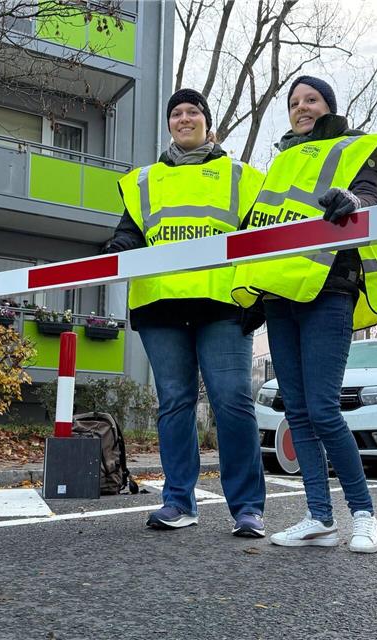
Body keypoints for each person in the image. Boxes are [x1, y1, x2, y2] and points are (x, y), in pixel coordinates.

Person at [230, 76, 377, 553]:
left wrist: (354, 202)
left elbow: (369, 192)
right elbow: (262, 229)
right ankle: (319, 518)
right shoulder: (280, 164)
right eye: (294, 102)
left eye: (311, 100)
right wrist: (256, 298)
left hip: (330, 288)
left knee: (323, 409)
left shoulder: (357, 146)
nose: (302, 108)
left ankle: (363, 515)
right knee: (297, 412)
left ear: (329, 106)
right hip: (282, 298)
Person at [102, 89, 267, 537]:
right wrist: (116, 250)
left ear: (208, 125)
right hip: (162, 307)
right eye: (176, 112)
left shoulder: (241, 176)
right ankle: (178, 502)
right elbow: (130, 233)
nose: (183, 118)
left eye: (193, 111)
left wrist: (261, 297)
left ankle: (248, 508)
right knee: (174, 404)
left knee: (232, 402)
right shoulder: (145, 180)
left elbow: (263, 237)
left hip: (223, 305)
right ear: (170, 125)